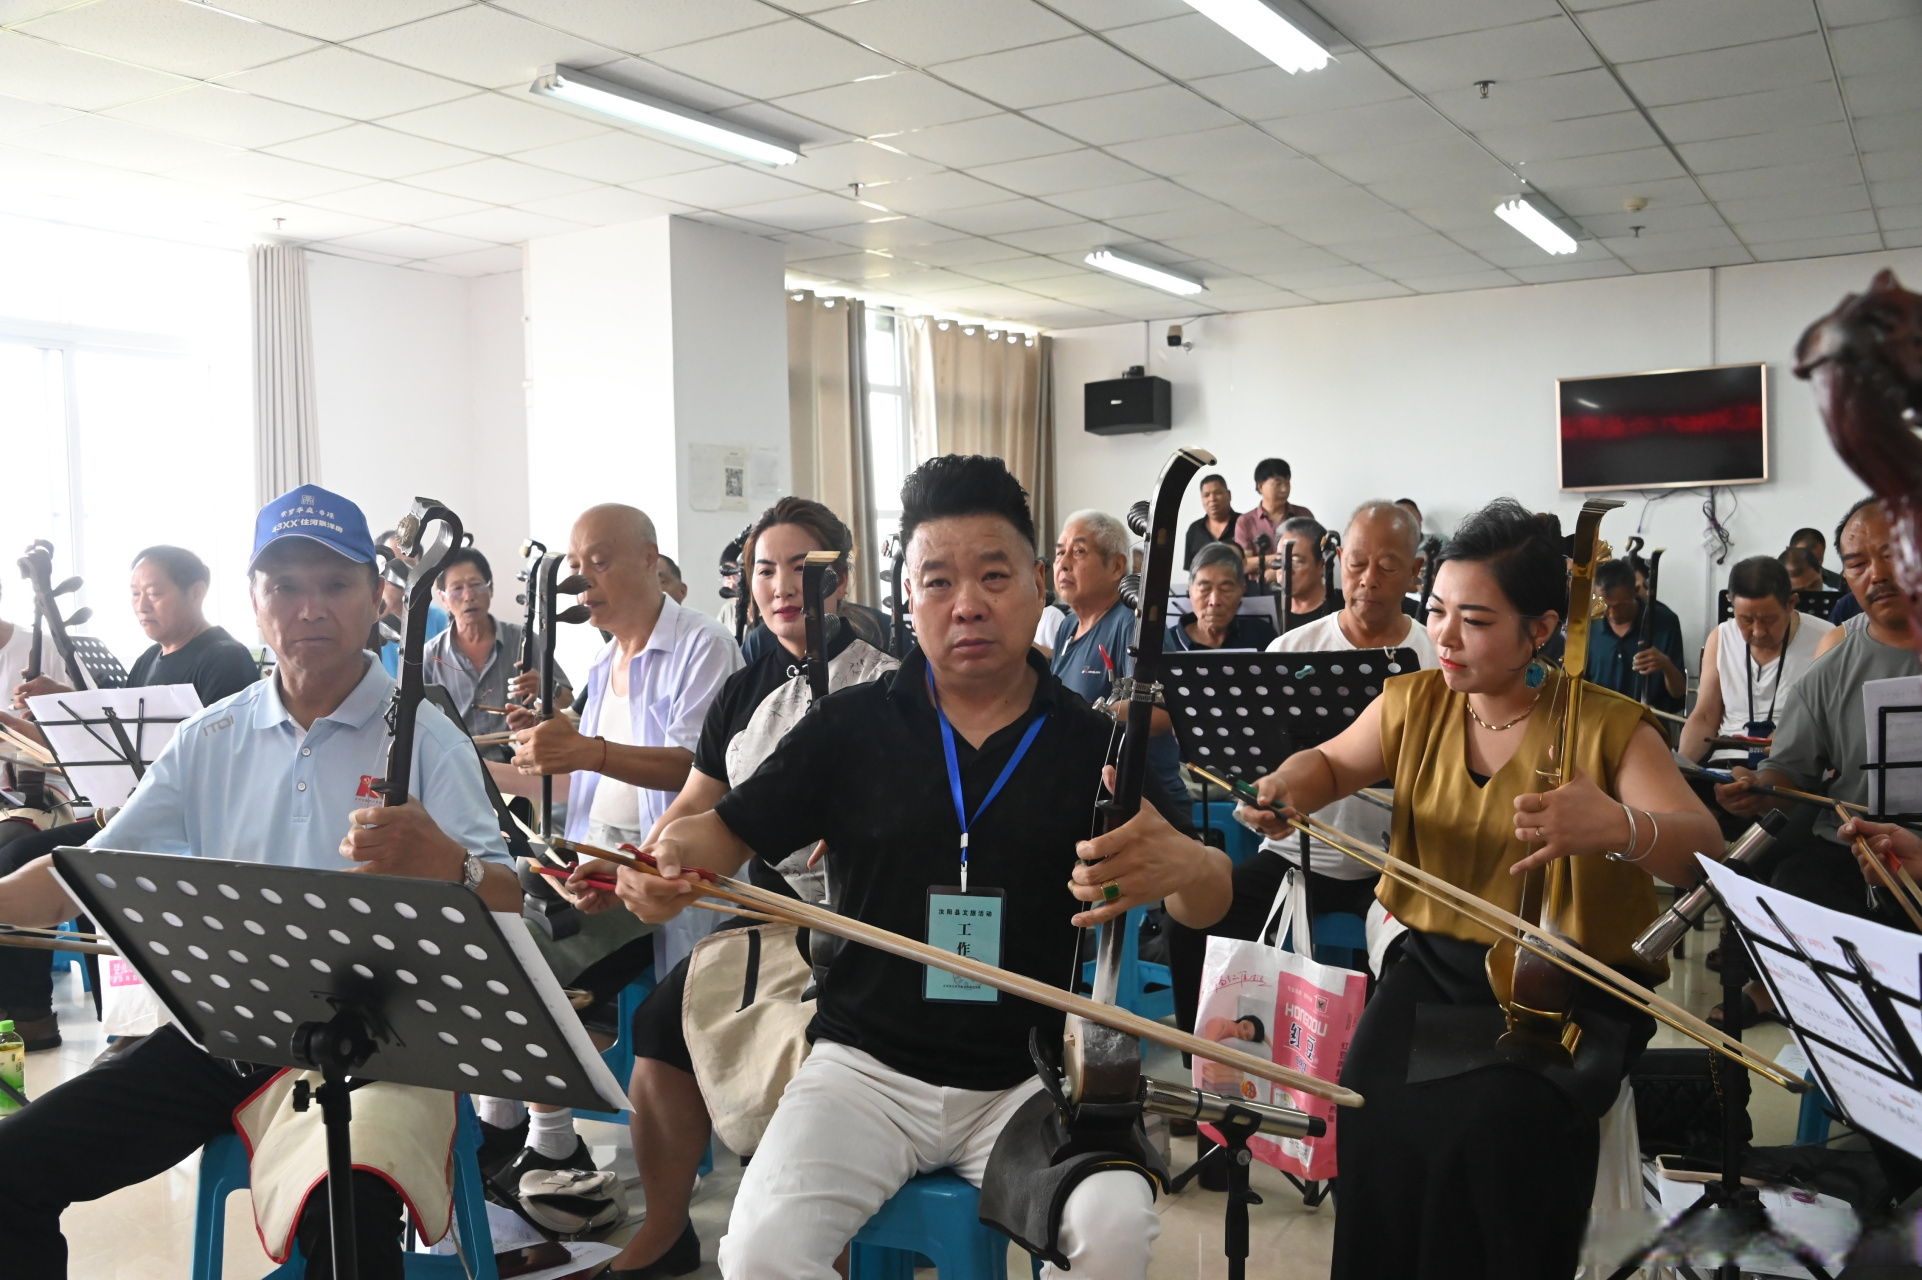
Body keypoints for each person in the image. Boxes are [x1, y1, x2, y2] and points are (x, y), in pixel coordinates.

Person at [596, 453, 1227, 1280]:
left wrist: (1183, 863)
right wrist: (668, 858)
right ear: (909, 600)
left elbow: (1208, 902)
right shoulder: (848, 728)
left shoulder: (1094, 742)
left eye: (994, 575)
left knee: (1113, 1228)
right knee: (757, 1251)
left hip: (1031, 1077)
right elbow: (721, 833)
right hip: (864, 1068)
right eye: (937, 581)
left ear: (1039, 584)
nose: (967, 604)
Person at [0, 486, 516, 1280]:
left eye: (334, 585)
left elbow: (509, 897)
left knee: (350, 1221)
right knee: (12, 1167)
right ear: (252, 598)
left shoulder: (423, 734)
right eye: (284, 586)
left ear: (376, 598)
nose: (309, 608)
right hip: (228, 1035)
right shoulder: (213, 736)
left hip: (383, 1043)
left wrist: (452, 864)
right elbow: (86, 871)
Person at [1239, 497, 1719, 1279]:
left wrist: (1620, 828)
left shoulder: (1608, 726)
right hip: (1436, 964)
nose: (1445, 638)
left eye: (1476, 620)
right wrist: (1289, 786)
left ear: (1541, 629)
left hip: (1569, 986)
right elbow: (1328, 764)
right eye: (1436, 611)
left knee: (1495, 1127)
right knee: (1367, 1107)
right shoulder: (1417, 702)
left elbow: (1704, 852)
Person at [578, 496, 896, 1279]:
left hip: (872, 922)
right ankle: (664, 1226)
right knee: (660, 1025)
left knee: (817, 1053)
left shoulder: (893, 683)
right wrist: (635, 867)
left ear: (841, 576)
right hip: (765, 917)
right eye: (763, 569)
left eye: (801, 567)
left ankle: (835, 1242)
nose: (781, 584)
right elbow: (694, 805)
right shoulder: (745, 689)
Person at [498, 503, 741, 1191]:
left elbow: (700, 771)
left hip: (661, 874)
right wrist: (537, 748)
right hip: (590, 861)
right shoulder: (605, 663)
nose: (584, 581)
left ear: (651, 560)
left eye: (599, 561)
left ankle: (547, 1140)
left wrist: (589, 749)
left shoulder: (703, 647)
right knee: (479, 912)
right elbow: (594, 779)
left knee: (528, 952)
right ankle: (504, 1119)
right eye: (576, 568)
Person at [1168, 501, 1435, 1048]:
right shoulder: (1291, 650)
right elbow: (1263, 776)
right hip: (1294, 861)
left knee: (1426, 964)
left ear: (1415, 572)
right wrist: (1258, 804)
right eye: (1357, 564)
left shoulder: (1436, 656)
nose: (1368, 581)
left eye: (1388, 567)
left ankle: (1372, 1086)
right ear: (1338, 562)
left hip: (1395, 869)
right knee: (1190, 921)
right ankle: (1209, 1065)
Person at [0, 545, 264, 1049]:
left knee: (50, 858)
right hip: (133, 813)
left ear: (197, 591)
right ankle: (83, 1018)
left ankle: (105, 1024)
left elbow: (225, 764)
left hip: (189, 824)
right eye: (135, 594)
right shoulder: (149, 658)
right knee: (25, 857)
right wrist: (46, 709)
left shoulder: (223, 659)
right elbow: (105, 741)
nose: (143, 604)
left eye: (155, 592)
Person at [1715, 499, 1921, 1021]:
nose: (1875, 574)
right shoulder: (1835, 663)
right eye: (1856, 563)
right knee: (1793, 881)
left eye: (1892, 554)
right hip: (1853, 853)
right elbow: (1793, 769)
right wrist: (1760, 787)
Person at [1679, 557, 1836, 834]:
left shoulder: (1827, 639)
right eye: (1745, 619)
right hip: (1726, 764)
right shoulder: (1721, 637)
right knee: (1682, 814)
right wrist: (1681, 770)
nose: (1757, 631)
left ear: (1791, 603)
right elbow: (1704, 715)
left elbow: (1831, 727)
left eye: (1769, 619)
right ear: (1731, 602)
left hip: (1791, 769)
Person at [1050, 509, 1186, 803]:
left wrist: (1095, 714)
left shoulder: (1134, 625)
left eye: (1079, 551)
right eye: (1060, 553)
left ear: (1115, 566)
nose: (1062, 563)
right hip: (1083, 794)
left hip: (1143, 802)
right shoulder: (1068, 626)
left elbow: (1163, 714)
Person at [422, 547, 570, 763]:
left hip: (516, 765)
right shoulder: (430, 656)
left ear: (490, 589)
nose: (469, 596)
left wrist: (545, 687)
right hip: (456, 766)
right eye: (457, 589)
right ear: (443, 598)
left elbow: (568, 702)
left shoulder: (524, 641)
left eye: (476, 585)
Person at [1585, 558, 1687, 711]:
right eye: (1605, 607)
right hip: (1600, 720)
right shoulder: (1589, 625)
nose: (1612, 614)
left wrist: (1666, 665)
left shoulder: (1665, 622)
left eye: (1619, 606)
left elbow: (1678, 693)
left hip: (1649, 722)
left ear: (1636, 590)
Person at [1168, 542, 1275, 652]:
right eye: (1204, 589)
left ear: (1242, 590)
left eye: (1225, 589)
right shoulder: (1167, 643)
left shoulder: (1261, 635)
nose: (1214, 601)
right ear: (1190, 590)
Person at [375, 528, 450, 678]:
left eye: (408, 564)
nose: (397, 572)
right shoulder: (363, 623)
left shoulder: (438, 621)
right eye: (389, 564)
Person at [1233, 457, 1314, 583]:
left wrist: (1278, 571)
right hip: (1258, 590)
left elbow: (1311, 556)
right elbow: (1245, 564)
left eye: (1287, 483)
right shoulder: (1245, 522)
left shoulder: (1303, 515)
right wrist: (1284, 559)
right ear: (1260, 486)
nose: (1284, 489)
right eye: (1278, 484)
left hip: (1299, 586)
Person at [1273, 515, 1341, 627]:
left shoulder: (1345, 608)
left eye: (1295, 561)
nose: (1284, 570)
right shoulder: (1270, 608)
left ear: (1321, 565)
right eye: (1280, 559)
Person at [1182, 472, 1239, 571]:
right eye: (1206, 495)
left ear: (1229, 495)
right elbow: (1191, 570)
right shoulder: (1194, 529)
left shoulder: (1245, 523)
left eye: (1218, 493)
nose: (1212, 499)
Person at [1791, 525, 1848, 591]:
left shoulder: (1838, 583)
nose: (1808, 567)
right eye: (1802, 559)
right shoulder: (1777, 581)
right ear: (1789, 552)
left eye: (1815, 561)